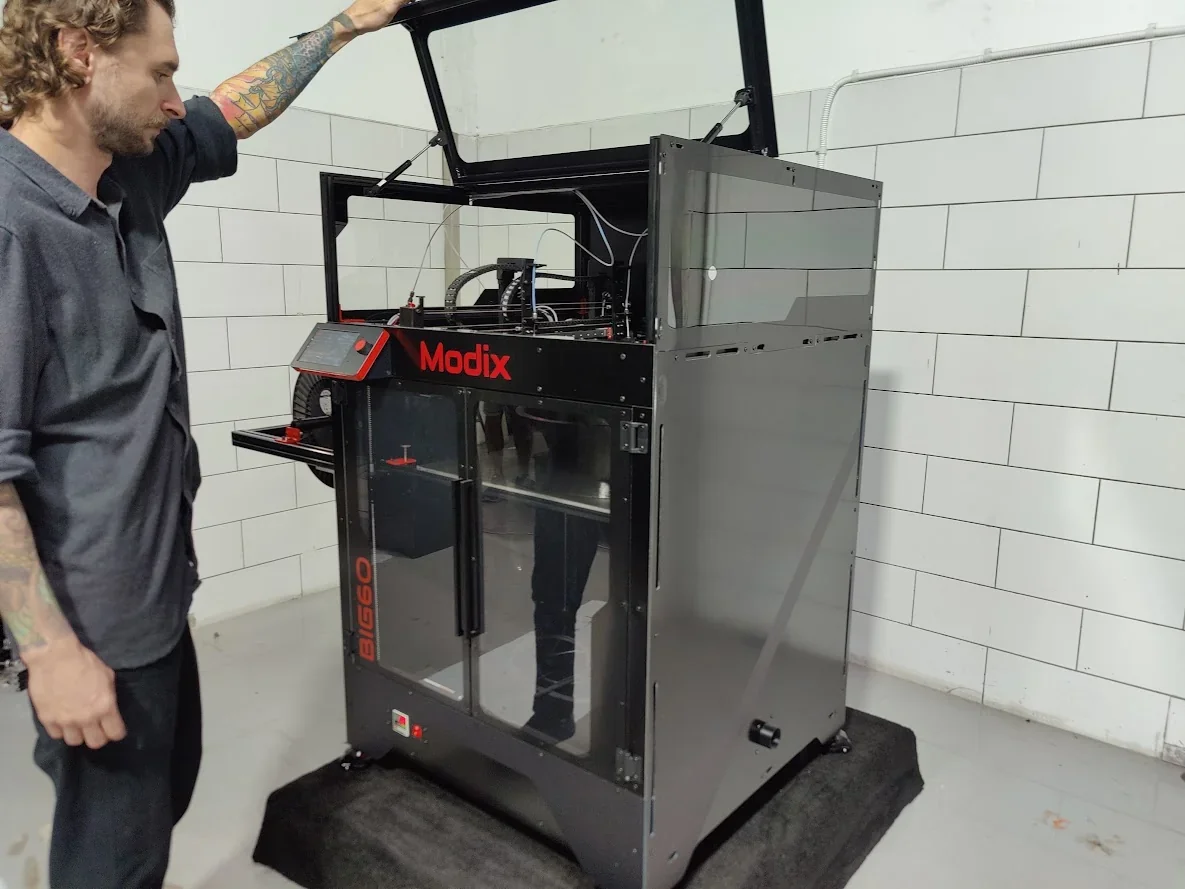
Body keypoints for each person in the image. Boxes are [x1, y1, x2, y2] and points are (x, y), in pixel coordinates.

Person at [0, 0, 411, 885]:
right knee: (114, 853)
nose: (175, 96)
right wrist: (50, 653)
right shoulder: (11, 226)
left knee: (164, 786)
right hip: (89, 615)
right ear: (78, 53)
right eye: (160, 72)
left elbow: (234, 107)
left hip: (154, 587)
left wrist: (344, 27)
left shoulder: (127, 171)